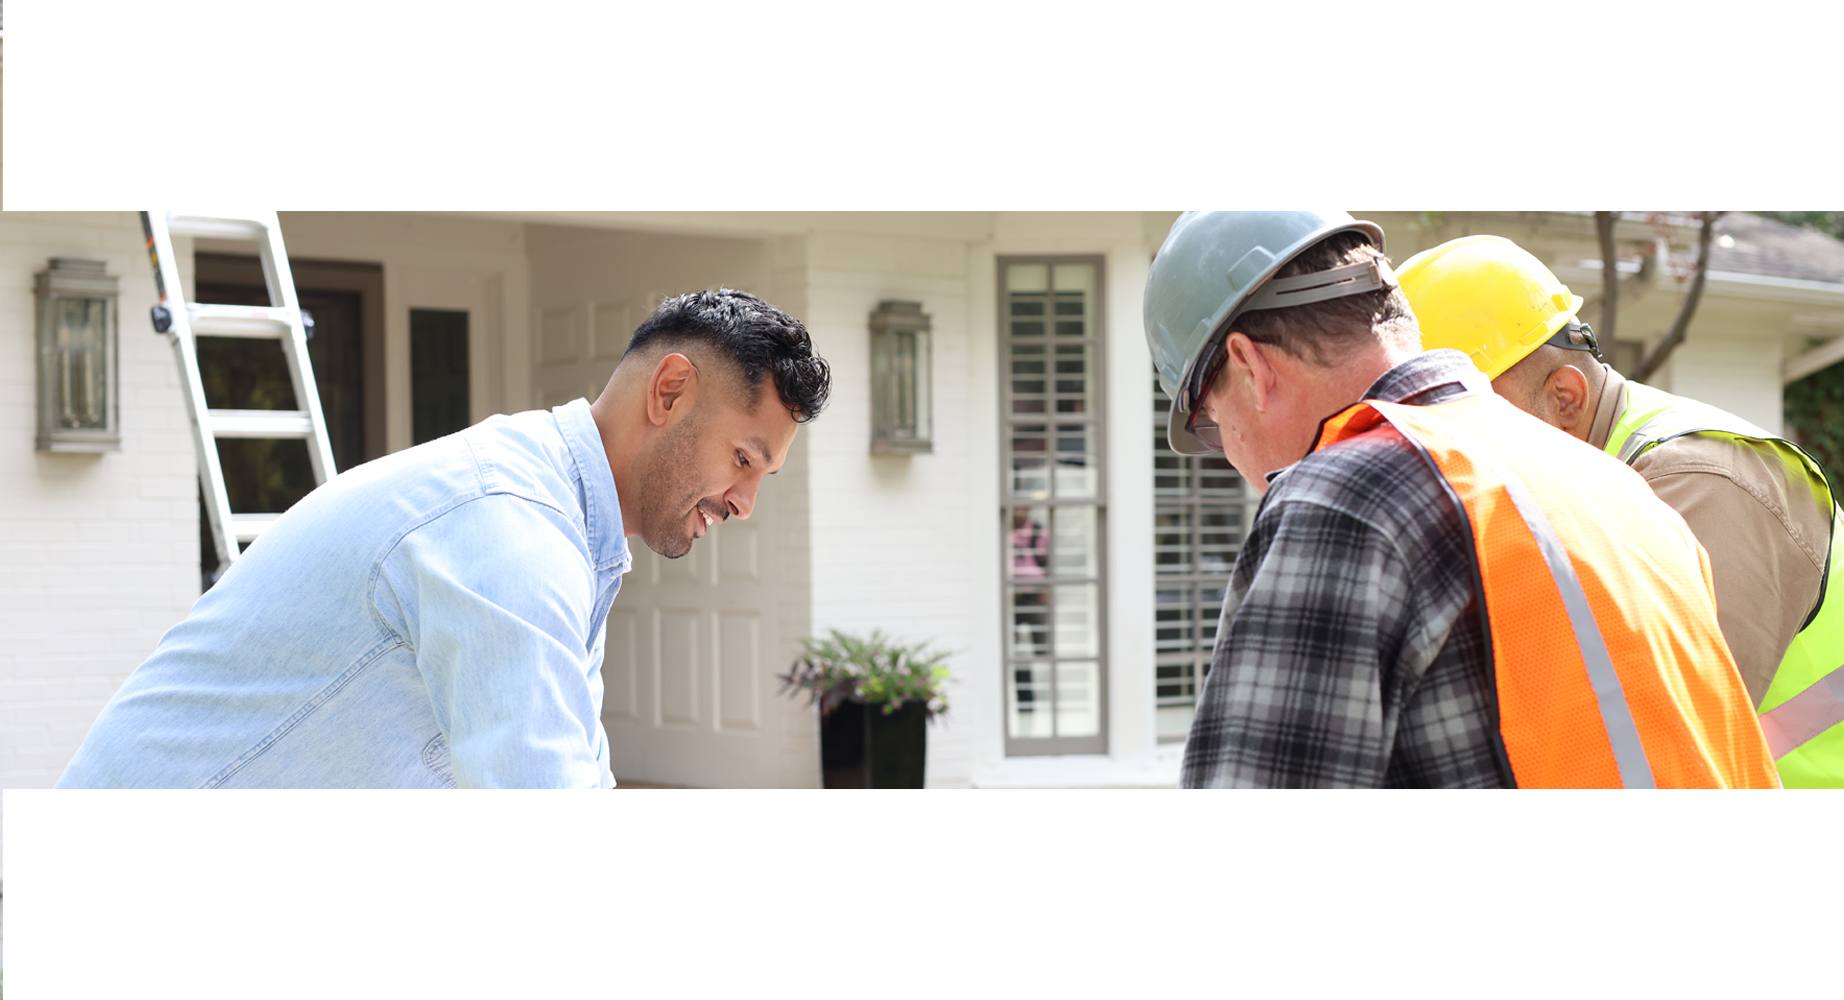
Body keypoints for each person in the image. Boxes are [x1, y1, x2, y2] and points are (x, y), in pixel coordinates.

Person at [57, 288, 832, 788]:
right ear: (669, 391)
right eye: (743, 460)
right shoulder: (510, 529)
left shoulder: (567, 530)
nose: (746, 503)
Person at [1144, 211, 1776, 788]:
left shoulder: (1343, 500)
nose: (1235, 462)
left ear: (1249, 366)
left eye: (1212, 425)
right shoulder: (1619, 488)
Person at [1397, 234, 1844, 787]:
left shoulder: (1701, 482)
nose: (1453, 454)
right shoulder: (1571, 485)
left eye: (1473, 422)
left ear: (1565, 396)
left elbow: (1656, 741)